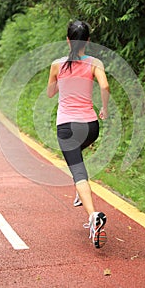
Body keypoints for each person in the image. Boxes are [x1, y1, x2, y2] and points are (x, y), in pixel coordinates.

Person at [47, 20, 109, 248]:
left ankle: (93, 216)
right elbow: (105, 87)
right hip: (91, 127)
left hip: (67, 127)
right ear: (88, 41)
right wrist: (104, 108)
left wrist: (58, 84)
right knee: (78, 159)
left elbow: (50, 93)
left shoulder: (57, 65)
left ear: (67, 40)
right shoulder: (95, 63)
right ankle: (79, 192)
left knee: (77, 170)